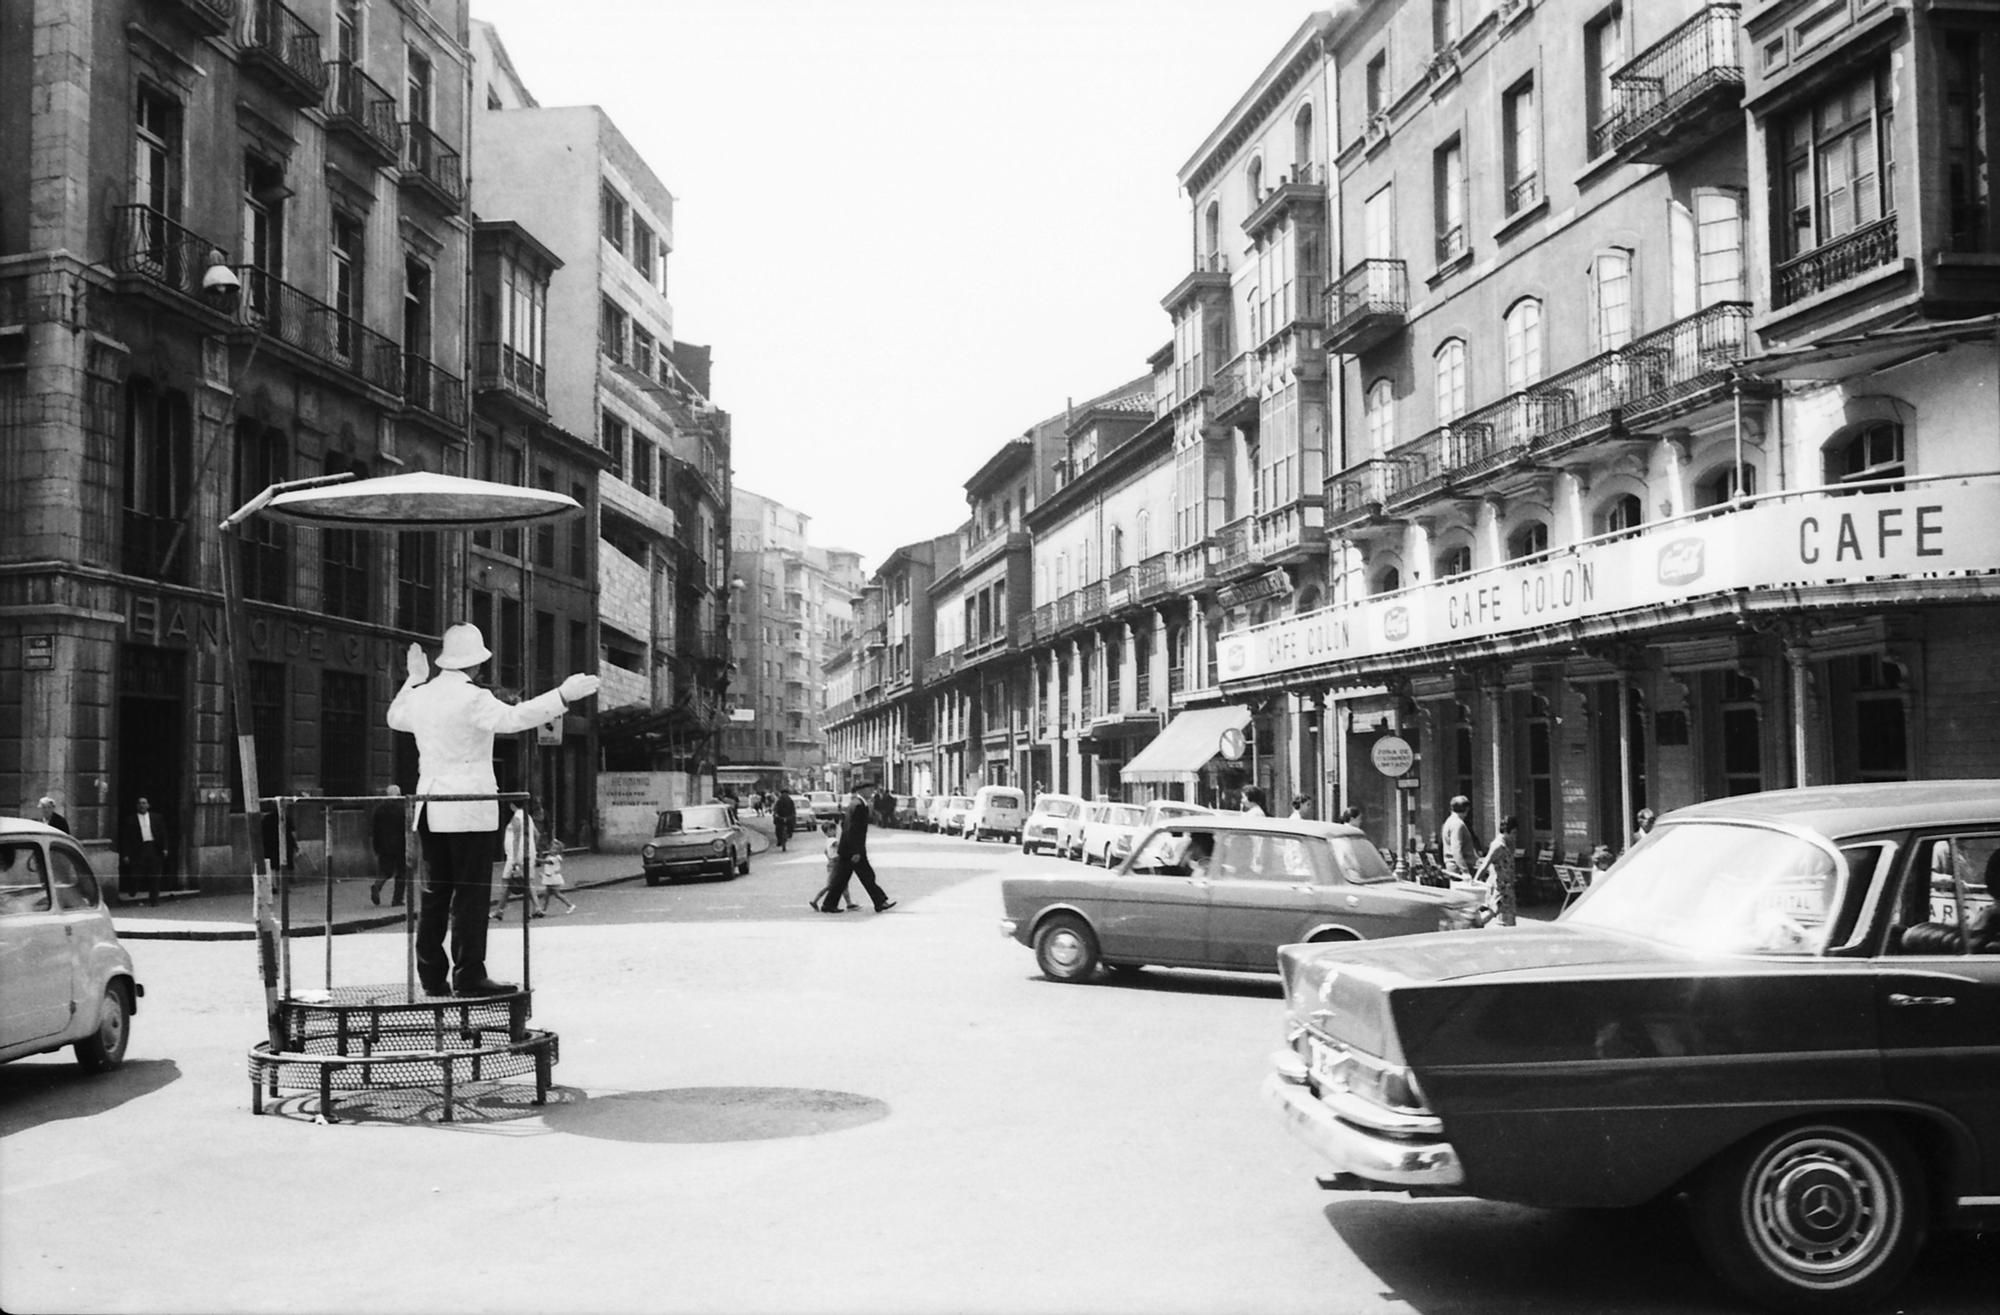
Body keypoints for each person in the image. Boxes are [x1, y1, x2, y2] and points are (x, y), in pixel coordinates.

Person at [388, 622, 599, 997]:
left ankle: (432, 976)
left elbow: (394, 717)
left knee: (435, 894)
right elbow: (514, 720)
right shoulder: (474, 698)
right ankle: (469, 974)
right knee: (470, 895)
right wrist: (562, 696)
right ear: (477, 665)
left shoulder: (421, 696)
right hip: (470, 808)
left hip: (429, 806)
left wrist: (413, 679)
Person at [814, 780, 894, 913]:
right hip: (853, 850)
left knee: (845, 878)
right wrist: (856, 851)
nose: (871, 792)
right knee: (862, 877)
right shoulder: (857, 805)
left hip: (850, 848)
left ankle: (830, 904)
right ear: (861, 790)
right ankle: (879, 901)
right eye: (869, 789)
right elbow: (853, 829)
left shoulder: (858, 803)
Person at [119, 796, 170, 906]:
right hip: (138, 849)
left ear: (148, 805)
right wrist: (126, 854)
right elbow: (126, 838)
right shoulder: (131, 820)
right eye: (140, 803)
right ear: (137, 806)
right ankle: (133, 889)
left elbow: (163, 834)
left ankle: (154, 900)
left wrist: (165, 848)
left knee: (155, 875)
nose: (142, 805)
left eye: (144, 803)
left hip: (153, 847)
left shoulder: (157, 818)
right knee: (136, 873)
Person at [1475, 815, 1522, 927]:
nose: (1515, 836)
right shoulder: (1498, 845)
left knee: (1506, 917)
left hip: (1507, 886)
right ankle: (1473, 926)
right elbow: (1485, 864)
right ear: (1507, 831)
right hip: (1500, 887)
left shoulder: (1507, 844)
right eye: (1514, 833)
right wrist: (1475, 881)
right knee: (1492, 912)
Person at [369, 785, 409, 907]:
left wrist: (376, 845)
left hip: (384, 844)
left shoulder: (379, 809)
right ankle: (397, 900)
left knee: (385, 871)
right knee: (401, 873)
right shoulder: (403, 809)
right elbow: (406, 828)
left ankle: (377, 885)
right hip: (400, 845)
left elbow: (374, 829)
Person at [1441, 795, 1480, 877]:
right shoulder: (1458, 824)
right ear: (1467, 809)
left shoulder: (1448, 822)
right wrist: (1465, 871)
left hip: (1453, 866)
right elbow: (1456, 849)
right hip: (1459, 869)